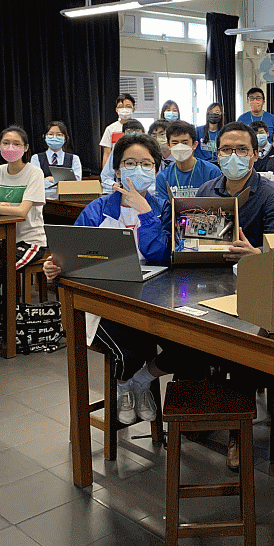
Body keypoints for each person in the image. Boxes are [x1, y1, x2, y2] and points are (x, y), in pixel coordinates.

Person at [43, 133, 172, 426]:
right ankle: (125, 387)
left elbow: (162, 255)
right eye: (129, 163)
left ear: (156, 170)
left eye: (146, 164)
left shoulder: (164, 208)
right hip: (103, 303)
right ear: (116, 170)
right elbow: (71, 260)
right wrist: (57, 272)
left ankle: (139, 382)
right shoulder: (97, 209)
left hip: (153, 300)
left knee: (185, 346)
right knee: (129, 350)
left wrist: (146, 213)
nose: (137, 169)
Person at [0, 126, 48, 336]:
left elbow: (22, 213)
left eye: (16, 144)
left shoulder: (34, 172)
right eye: (5, 143)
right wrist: (2, 209)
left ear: (25, 148)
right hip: (1, 239)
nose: (10, 148)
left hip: (29, 242)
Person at [195, 121, 274, 258]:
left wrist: (256, 253)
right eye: (226, 149)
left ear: (255, 155)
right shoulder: (206, 191)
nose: (233, 155)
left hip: (254, 272)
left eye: (242, 149)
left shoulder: (273, 196)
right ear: (218, 156)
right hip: (208, 270)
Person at [155, 121, 221, 202]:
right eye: (175, 143)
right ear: (168, 145)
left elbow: (217, 205)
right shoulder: (163, 177)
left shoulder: (212, 172)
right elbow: (163, 209)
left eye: (185, 143)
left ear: (194, 145)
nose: (180, 147)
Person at [30, 120, 83, 199]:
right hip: (42, 198)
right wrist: (62, 182)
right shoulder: (36, 158)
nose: (54, 138)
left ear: (65, 138)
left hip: (68, 198)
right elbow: (35, 182)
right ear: (44, 137)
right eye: (51, 134)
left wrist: (52, 180)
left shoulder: (74, 159)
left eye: (59, 135)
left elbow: (76, 182)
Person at [101, 119, 146, 192]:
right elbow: (106, 176)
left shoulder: (148, 151)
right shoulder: (117, 151)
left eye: (137, 131)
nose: (133, 134)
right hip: (121, 189)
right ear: (123, 134)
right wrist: (113, 184)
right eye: (129, 131)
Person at [99, 93, 137, 167]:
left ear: (134, 109)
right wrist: (105, 174)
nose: (124, 109)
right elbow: (107, 154)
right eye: (121, 107)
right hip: (116, 167)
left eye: (128, 106)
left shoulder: (139, 128)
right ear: (116, 110)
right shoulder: (110, 129)